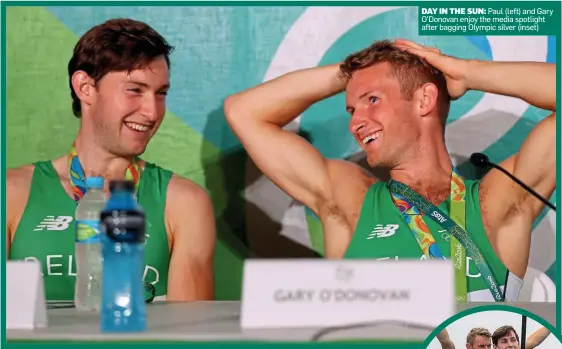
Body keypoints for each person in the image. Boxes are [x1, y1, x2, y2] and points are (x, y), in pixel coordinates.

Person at [224, 38, 555, 302]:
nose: (355, 122)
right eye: (351, 108)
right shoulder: (351, 201)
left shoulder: (495, 202)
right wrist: (352, 75)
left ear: (424, 100)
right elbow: (243, 111)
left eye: (372, 100)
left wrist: (467, 72)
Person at [7, 18, 216, 302]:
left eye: (161, 94)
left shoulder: (183, 203)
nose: (152, 112)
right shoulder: (11, 193)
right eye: (135, 90)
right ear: (85, 87)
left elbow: (190, 336)